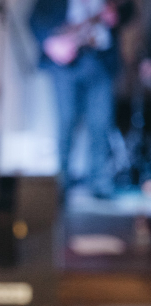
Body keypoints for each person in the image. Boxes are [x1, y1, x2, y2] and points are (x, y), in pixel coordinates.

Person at [31, 0, 134, 198]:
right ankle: (61, 182)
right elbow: (34, 19)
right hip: (65, 64)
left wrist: (116, 16)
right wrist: (50, 44)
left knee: (101, 123)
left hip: (101, 60)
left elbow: (128, 9)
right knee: (66, 121)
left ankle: (99, 181)